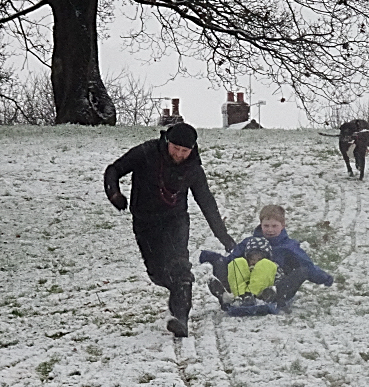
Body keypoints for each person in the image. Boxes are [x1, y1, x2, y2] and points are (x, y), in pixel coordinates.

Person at [103, 123, 236, 337]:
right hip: (145, 222)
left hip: (175, 222)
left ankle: (180, 319)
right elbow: (114, 170)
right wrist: (114, 194)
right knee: (158, 273)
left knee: (180, 269)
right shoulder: (147, 152)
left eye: (185, 151)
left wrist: (224, 237)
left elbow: (207, 202)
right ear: (167, 142)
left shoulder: (193, 167)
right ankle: (176, 291)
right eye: (176, 149)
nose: (180, 155)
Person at [201, 205, 333, 309]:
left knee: (299, 270)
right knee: (237, 263)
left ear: (283, 225)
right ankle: (231, 296)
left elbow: (307, 265)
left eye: (274, 226)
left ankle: (267, 296)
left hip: (274, 287)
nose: (270, 230)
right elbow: (231, 260)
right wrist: (215, 259)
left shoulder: (288, 246)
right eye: (266, 226)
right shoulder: (250, 243)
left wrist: (324, 278)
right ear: (260, 225)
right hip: (244, 284)